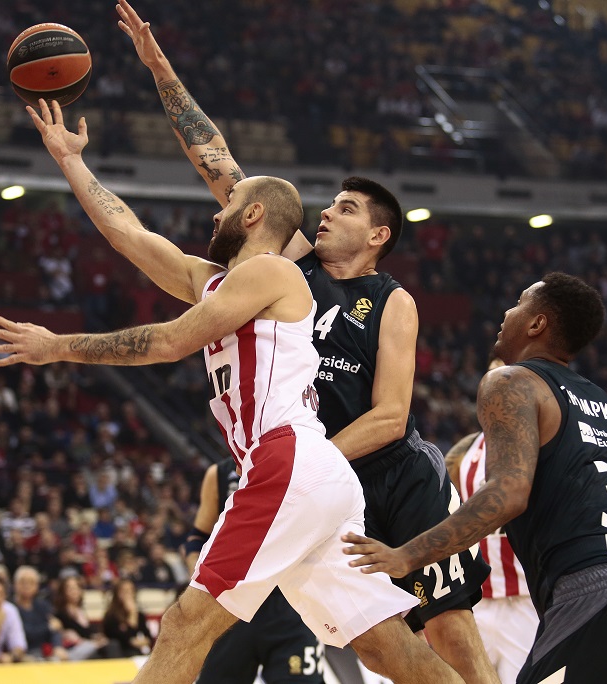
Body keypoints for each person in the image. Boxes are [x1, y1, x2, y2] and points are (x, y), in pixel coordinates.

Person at [0, 98, 461, 684]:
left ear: (253, 213)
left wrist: (58, 346)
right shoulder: (216, 282)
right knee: (386, 647)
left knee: (185, 623)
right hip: (311, 476)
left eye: (228, 206)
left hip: (289, 460)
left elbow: (168, 342)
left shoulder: (274, 272)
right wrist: (71, 162)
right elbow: (126, 234)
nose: (216, 215)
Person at [108, 6, 498, 682]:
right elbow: (216, 161)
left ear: (377, 236)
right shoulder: (289, 266)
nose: (326, 212)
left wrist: (306, 459)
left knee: (446, 622)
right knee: (377, 643)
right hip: (317, 474)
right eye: (329, 204)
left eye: (346, 209)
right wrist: (160, 69)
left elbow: (390, 417)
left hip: (393, 473)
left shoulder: (394, 300)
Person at [344, 273, 607, 684]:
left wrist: (407, 555)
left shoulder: (511, 380)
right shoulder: (605, 403)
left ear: (537, 323)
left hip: (597, 590)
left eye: (519, 303)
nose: (507, 312)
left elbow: (507, 494)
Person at [185, 458, 324, 683]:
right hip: (231, 606)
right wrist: (198, 579)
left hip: (290, 604)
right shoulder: (219, 474)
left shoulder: (304, 462)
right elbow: (197, 537)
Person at [446, 360, 539, 684]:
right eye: (492, 379)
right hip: (476, 600)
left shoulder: (544, 442)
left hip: (528, 600)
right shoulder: (464, 452)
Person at [101, 578, 153, 658]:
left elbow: (148, 637)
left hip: (139, 651)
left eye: (131, 591)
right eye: (125, 591)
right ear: (117, 594)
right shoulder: (111, 616)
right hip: (120, 653)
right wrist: (132, 615)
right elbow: (124, 639)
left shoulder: (140, 615)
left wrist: (141, 642)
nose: (128, 595)